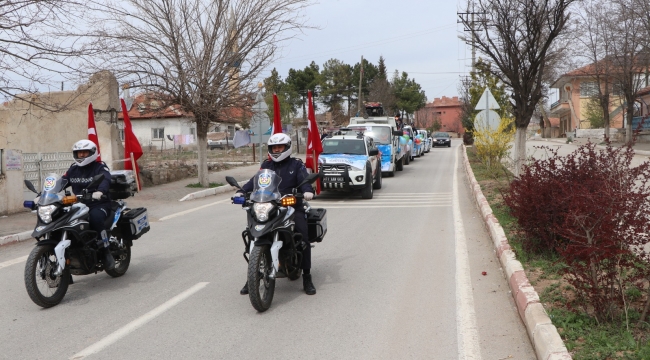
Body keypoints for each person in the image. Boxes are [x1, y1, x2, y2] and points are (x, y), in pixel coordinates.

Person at [236, 133, 317, 295]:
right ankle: (252, 277)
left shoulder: (296, 165)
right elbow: (255, 181)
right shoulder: (267, 165)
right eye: (274, 147)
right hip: (269, 205)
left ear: (287, 148)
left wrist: (307, 191)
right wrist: (242, 191)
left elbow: (305, 181)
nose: (277, 150)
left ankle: (307, 276)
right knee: (253, 235)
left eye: (280, 147)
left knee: (302, 236)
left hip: (291, 205)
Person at [62, 140, 115, 270]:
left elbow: (106, 179)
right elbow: (61, 182)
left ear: (92, 153)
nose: (81, 156)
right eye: (79, 153)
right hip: (79, 205)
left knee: (96, 218)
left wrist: (100, 191)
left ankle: (106, 250)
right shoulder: (73, 169)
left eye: (84, 152)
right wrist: (44, 194)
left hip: (98, 203)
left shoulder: (99, 167)